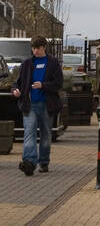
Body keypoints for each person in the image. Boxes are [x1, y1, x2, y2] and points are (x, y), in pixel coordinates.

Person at [13, 36, 63, 175]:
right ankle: (29, 162)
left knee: (46, 135)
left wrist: (43, 85)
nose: (35, 51)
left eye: (38, 48)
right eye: (33, 48)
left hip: (47, 105)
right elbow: (17, 83)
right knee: (29, 133)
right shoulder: (27, 64)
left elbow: (58, 83)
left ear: (44, 47)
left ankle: (44, 162)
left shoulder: (53, 63)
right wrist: (15, 90)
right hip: (29, 105)